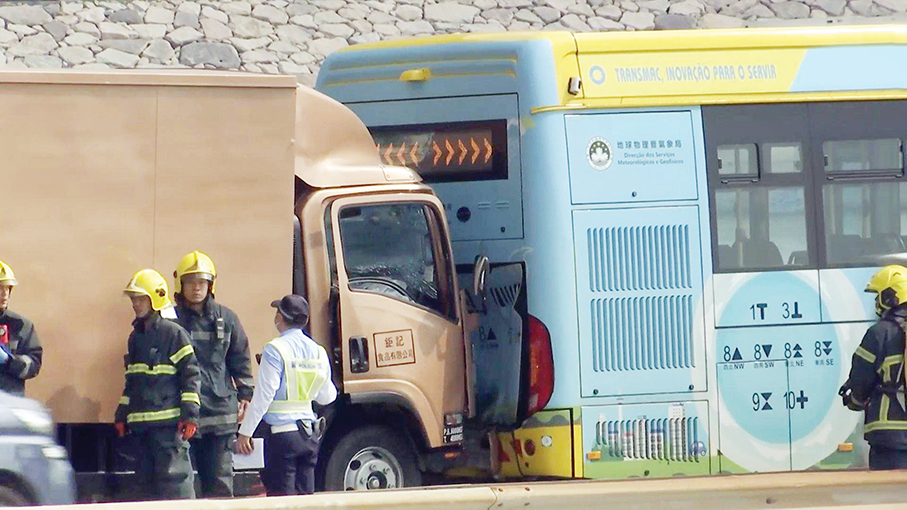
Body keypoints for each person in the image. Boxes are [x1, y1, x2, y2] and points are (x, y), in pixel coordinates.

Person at [236, 295, 337, 496]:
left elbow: (264, 395)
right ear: (305, 320)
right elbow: (327, 396)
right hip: (309, 435)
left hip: (281, 437)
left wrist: (245, 432)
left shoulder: (275, 349)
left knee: (282, 500)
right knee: (305, 500)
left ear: (280, 317)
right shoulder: (318, 352)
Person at [172, 251, 254, 498]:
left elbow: (240, 357)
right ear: (180, 284)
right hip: (182, 413)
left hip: (219, 413)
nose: (197, 288)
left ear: (210, 285)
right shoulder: (169, 320)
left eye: (202, 282)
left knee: (220, 484)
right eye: (191, 282)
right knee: (181, 485)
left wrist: (245, 394)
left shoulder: (226, 319)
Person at [114, 269, 201, 499]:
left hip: (168, 429)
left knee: (176, 488)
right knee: (144, 491)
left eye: (140, 299)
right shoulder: (135, 337)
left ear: (156, 298)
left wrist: (190, 415)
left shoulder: (173, 334)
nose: (135, 304)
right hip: (141, 430)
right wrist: (122, 413)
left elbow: (191, 375)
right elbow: (131, 380)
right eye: (133, 299)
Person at [840, 265, 907, 470]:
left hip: (890, 438)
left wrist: (854, 400)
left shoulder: (879, 333)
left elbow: (861, 379)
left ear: (889, 298)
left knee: (889, 497)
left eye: (878, 296)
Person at [0, 259, 42, 396]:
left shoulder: (21, 325)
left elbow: (34, 366)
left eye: (7, 288)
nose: (4, 294)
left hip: (9, 406)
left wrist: (8, 360)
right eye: (0, 287)